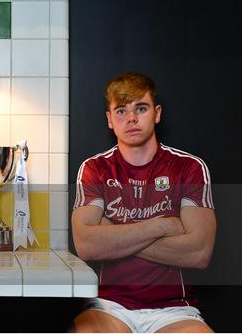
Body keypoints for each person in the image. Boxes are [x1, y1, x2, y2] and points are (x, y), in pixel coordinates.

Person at [71, 72, 216, 333]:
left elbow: (199, 252)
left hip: (174, 311)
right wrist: (164, 225)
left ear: (157, 113)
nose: (132, 118)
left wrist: (113, 232)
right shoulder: (95, 168)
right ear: (109, 120)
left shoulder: (189, 167)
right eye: (121, 111)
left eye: (141, 108)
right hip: (108, 306)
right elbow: (86, 245)